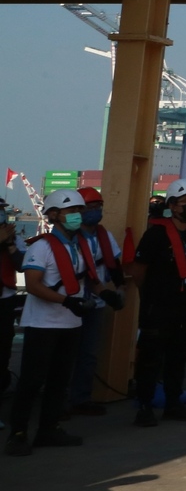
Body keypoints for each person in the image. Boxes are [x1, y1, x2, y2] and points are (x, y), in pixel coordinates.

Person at [7, 190, 108, 454]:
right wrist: (66, 302)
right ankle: (17, 434)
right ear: (53, 215)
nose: (77, 216)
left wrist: (106, 294)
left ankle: (48, 430)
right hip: (43, 324)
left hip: (71, 323)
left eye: (79, 211)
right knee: (31, 381)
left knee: (59, 381)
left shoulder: (81, 246)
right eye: (70, 212)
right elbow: (32, 285)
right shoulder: (41, 247)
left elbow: (87, 280)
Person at [129, 178, 186, 427]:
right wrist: (150, 298)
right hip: (160, 304)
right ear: (172, 206)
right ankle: (144, 406)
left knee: (180, 355)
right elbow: (139, 270)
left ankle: (173, 404)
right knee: (151, 358)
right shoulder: (156, 234)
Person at [66, 187, 126, 416]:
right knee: (65, 354)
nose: (95, 211)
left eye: (98, 206)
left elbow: (114, 263)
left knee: (89, 354)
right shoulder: (69, 237)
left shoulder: (104, 235)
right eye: (90, 207)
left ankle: (81, 398)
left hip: (97, 304)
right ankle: (59, 400)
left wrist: (120, 288)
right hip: (72, 303)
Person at [0, 207, 24, 422]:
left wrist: (9, 244)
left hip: (6, 300)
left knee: (3, 352)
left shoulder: (12, 239)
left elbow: (22, 265)